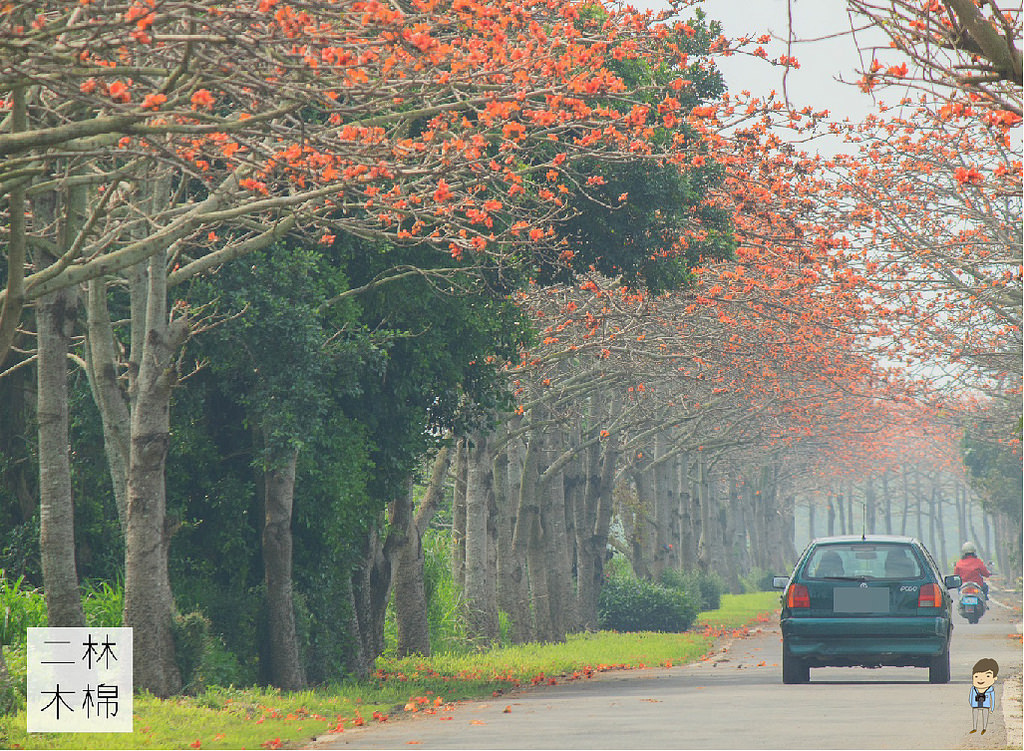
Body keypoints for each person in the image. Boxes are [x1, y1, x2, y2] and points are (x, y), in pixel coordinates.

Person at [968, 658, 999, 735]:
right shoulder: (974, 689)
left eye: (987, 676)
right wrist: (971, 703)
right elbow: (971, 696)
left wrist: (992, 708)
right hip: (975, 705)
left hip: (986, 705)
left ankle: (984, 728)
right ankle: (974, 728)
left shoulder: (990, 689)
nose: (981, 679)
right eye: (976, 676)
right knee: (975, 715)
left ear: (994, 678)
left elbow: (993, 699)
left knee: (985, 715)